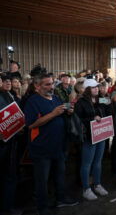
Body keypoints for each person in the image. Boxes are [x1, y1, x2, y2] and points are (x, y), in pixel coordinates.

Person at [24, 73, 78, 215]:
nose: (51, 87)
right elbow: (31, 125)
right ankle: (42, 207)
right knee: (42, 179)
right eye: (47, 84)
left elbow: (63, 108)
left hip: (59, 145)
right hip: (42, 148)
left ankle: (60, 198)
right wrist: (53, 114)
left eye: (52, 83)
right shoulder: (32, 101)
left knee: (60, 174)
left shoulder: (56, 98)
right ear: (37, 86)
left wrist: (69, 110)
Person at [74, 78, 111, 200]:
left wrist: (106, 101)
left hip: (101, 134)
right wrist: (92, 118)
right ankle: (86, 188)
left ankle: (97, 184)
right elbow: (77, 120)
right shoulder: (81, 102)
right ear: (88, 89)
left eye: (97, 87)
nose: (97, 88)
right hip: (88, 137)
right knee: (87, 163)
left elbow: (110, 104)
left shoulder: (100, 99)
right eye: (94, 87)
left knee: (98, 162)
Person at [0, 75, 22, 215]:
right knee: (7, 176)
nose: (7, 83)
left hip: (11, 142)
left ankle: (7, 207)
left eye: (9, 81)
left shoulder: (9, 95)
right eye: (4, 81)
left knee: (9, 176)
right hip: (3, 146)